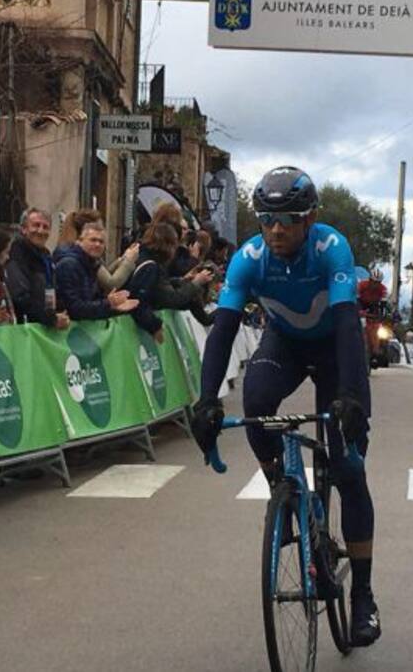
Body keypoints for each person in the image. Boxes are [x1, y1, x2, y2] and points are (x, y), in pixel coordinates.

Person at [189, 166, 380, 647]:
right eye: (267, 220)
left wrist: (352, 398)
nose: (276, 230)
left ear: (310, 217)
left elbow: (344, 325)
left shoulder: (330, 248)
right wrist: (207, 399)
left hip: (334, 346)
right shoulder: (248, 260)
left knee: (351, 470)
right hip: (286, 344)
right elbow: (224, 330)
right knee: (255, 399)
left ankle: (363, 595)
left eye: (289, 219)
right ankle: (284, 492)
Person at [123, 222, 214, 339]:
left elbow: (158, 286)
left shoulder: (147, 259)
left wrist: (182, 280)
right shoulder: (151, 266)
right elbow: (171, 298)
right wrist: (196, 283)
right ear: (168, 245)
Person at [54, 221, 141, 321]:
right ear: (80, 241)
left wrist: (113, 307)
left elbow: (92, 302)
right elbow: (74, 308)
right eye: (93, 240)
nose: (97, 244)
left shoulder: (91, 264)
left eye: (101, 241)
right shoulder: (69, 265)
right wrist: (108, 304)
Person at [7, 208, 70, 331]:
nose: (41, 231)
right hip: (25, 327)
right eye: (36, 225)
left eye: (46, 227)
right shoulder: (17, 254)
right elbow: (20, 296)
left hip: (45, 325)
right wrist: (50, 318)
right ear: (24, 229)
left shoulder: (46, 256)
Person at [53, 209, 141, 292]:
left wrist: (122, 259)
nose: (97, 244)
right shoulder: (76, 256)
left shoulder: (73, 251)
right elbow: (110, 284)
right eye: (93, 239)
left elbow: (102, 275)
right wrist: (128, 261)